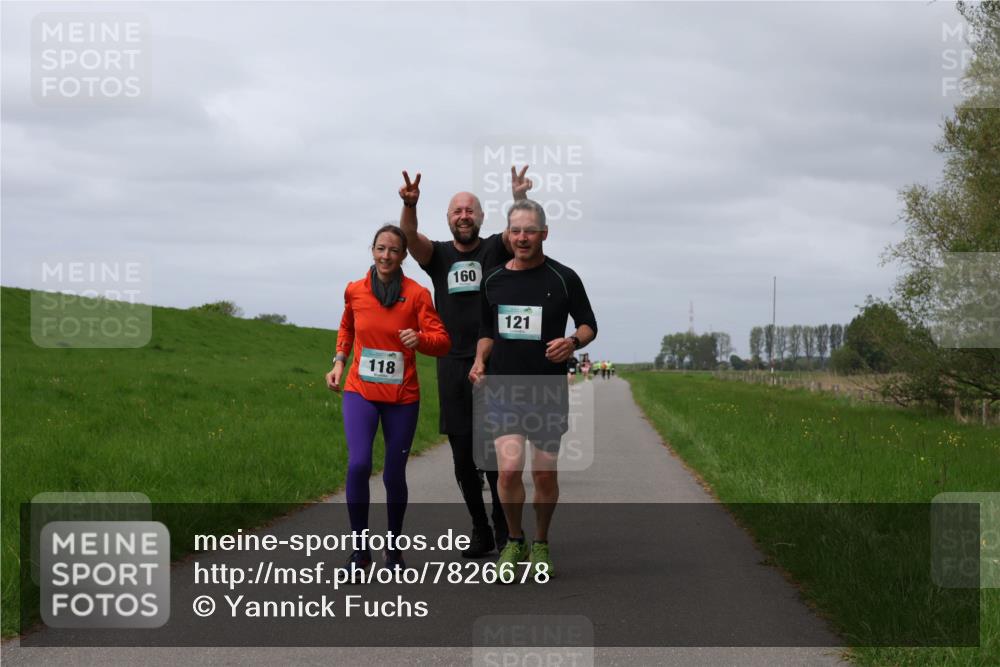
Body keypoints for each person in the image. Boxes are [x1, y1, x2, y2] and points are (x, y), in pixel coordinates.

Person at [398, 166, 533, 558]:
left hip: (494, 363)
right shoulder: (438, 255)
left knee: (493, 454)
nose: (463, 216)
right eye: (457, 211)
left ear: (480, 217)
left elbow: (519, 234)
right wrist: (409, 205)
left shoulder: (495, 247)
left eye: (469, 210)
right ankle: (479, 529)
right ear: (448, 219)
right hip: (452, 363)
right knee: (462, 455)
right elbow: (409, 238)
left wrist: (520, 198)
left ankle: (503, 526)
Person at [469, 199, 597, 579]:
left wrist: (572, 342)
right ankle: (514, 539)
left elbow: (589, 324)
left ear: (544, 233)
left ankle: (541, 542)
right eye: (516, 231)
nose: (522, 238)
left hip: (546, 390)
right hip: (505, 389)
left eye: (530, 231)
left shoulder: (563, 278)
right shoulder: (492, 280)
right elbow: (486, 332)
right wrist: (479, 362)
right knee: (508, 472)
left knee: (543, 475)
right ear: (507, 234)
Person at [325, 224, 451, 572]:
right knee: (359, 464)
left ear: (403, 256)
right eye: (380, 248)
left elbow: (442, 341)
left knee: (394, 475)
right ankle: (359, 551)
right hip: (360, 392)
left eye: (394, 250)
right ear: (372, 250)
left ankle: (393, 551)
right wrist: (338, 362)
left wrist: (420, 340)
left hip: (402, 398)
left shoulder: (417, 294)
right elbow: (347, 327)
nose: (386, 256)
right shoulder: (355, 290)